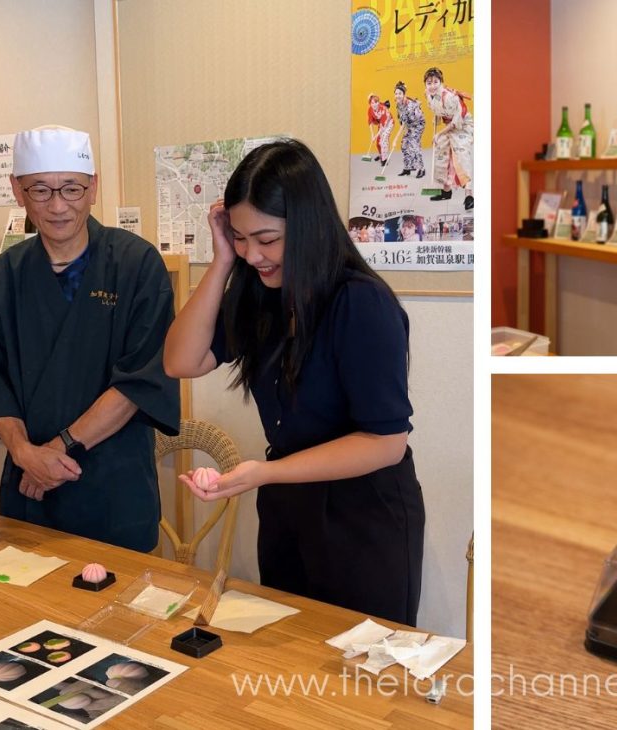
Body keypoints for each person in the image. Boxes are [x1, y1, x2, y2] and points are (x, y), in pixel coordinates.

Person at [163, 140, 424, 625]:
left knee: (358, 676)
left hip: (364, 516)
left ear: (308, 227)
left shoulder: (360, 304)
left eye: (267, 239)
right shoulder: (260, 293)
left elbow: (386, 443)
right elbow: (181, 360)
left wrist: (265, 473)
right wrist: (221, 261)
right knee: (289, 660)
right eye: (240, 238)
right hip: (288, 509)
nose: (254, 255)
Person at [0, 125, 179, 551]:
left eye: (71, 189)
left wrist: (57, 451)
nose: (58, 206)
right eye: (40, 190)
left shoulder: (136, 264)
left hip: (113, 488)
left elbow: (139, 380)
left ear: (93, 189)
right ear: (19, 192)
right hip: (30, 492)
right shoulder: (2, 276)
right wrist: (23, 454)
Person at [424, 67, 474, 210]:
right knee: (441, 149)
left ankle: (469, 195)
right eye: (429, 82)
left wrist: (439, 133)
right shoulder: (429, 94)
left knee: (460, 152)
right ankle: (446, 190)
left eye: (435, 82)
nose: (432, 85)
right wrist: (437, 120)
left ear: (441, 82)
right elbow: (436, 110)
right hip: (449, 124)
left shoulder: (451, 97)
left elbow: (455, 122)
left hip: (462, 125)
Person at [393, 81, 427, 178]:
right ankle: (407, 168)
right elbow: (403, 122)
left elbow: (403, 125)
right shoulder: (399, 105)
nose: (397, 95)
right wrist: (403, 137)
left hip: (418, 124)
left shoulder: (409, 106)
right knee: (404, 144)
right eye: (396, 93)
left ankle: (421, 169)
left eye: (400, 93)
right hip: (409, 124)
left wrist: (395, 139)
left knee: (413, 143)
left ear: (404, 94)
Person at [366, 94, 393, 168]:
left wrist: (376, 135)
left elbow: (382, 127)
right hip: (381, 124)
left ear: (379, 102)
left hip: (388, 123)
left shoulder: (383, 110)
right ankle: (381, 155)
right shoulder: (370, 110)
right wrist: (372, 135)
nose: (374, 104)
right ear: (370, 103)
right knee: (378, 142)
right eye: (372, 103)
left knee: (384, 139)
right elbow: (370, 122)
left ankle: (384, 159)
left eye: (376, 102)